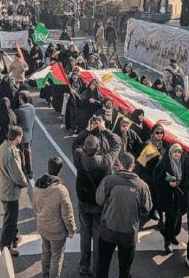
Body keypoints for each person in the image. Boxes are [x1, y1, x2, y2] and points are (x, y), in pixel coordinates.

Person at [72, 117, 121, 276]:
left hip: (84, 201)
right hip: (100, 203)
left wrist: (87, 129)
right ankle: (96, 268)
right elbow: (116, 144)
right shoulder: (105, 161)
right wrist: (104, 129)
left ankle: (83, 265)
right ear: (98, 148)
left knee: (85, 235)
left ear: (85, 148)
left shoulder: (79, 157)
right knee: (98, 236)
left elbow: (75, 144)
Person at [95, 152, 152, 278]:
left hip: (108, 231)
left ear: (120, 165)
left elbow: (99, 200)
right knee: (125, 270)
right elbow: (147, 208)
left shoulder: (108, 180)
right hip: (129, 234)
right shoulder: (142, 186)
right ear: (133, 166)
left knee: (103, 266)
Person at [33, 156, 77, 278]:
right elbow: (68, 215)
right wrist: (71, 230)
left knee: (46, 251)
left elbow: (35, 207)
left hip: (42, 227)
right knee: (56, 257)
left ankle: (45, 274)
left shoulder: (37, 184)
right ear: (60, 170)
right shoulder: (61, 190)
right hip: (57, 232)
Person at [153, 143, 189, 253]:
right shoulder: (163, 164)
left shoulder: (183, 163)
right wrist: (168, 184)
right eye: (174, 151)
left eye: (179, 152)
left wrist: (181, 184)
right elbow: (156, 180)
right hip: (167, 195)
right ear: (170, 153)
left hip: (179, 196)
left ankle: (173, 235)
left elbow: (187, 178)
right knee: (171, 218)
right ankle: (168, 241)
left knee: (178, 219)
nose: (177, 154)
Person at [0, 125, 27, 257]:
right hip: (10, 192)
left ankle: (15, 237)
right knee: (10, 221)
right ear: (17, 137)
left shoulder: (3, 147)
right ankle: (5, 246)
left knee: (10, 217)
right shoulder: (12, 153)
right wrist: (24, 182)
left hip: (3, 188)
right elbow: (17, 175)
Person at [14, 90, 36, 179]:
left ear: (22, 99)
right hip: (29, 135)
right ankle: (30, 171)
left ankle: (23, 172)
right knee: (28, 152)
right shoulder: (32, 107)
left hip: (21, 137)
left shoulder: (18, 111)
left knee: (21, 154)